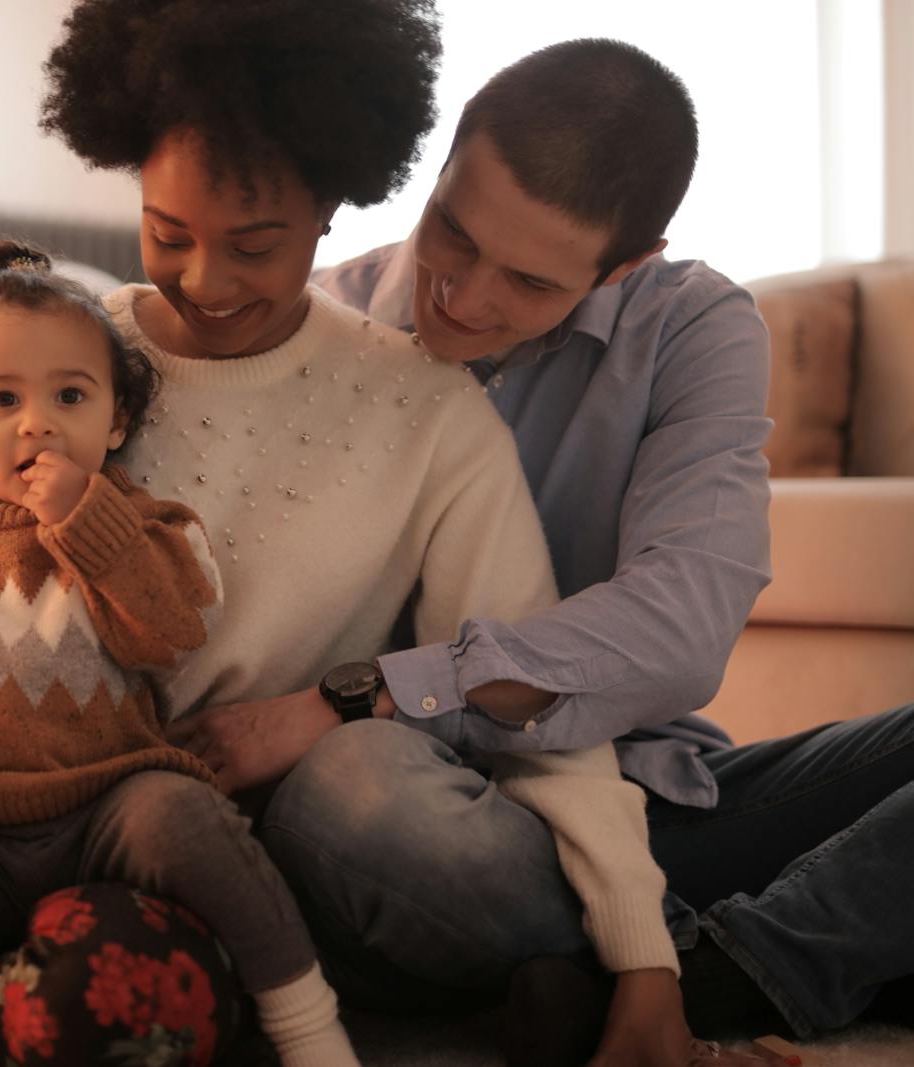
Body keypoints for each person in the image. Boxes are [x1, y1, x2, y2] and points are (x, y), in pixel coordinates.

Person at [0, 7, 746, 1065]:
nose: (204, 281)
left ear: (332, 206)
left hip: (166, 850)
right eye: (165, 233)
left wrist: (642, 957)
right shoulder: (46, 354)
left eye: (254, 244)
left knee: (86, 1010)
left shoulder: (430, 412)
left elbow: (529, 708)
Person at [149, 35, 914, 1065]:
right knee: (356, 790)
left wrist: (363, 689)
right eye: (451, 235)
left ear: (623, 264)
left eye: (529, 281)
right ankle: (801, 946)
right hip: (399, 822)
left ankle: (718, 976)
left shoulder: (688, 324)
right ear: (439, 167)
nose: (461, 297)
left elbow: (683, 626)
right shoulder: (304, 317)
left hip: (651, 808)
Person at [0, 238, 362, 1067]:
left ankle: (309, 1027)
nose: (37, 422)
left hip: (107, 811)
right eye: (2, 399)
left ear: (118, 417)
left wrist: (82, 522)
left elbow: (167, 632)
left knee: (186, 812)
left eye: (70, 394)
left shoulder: (150, 528)